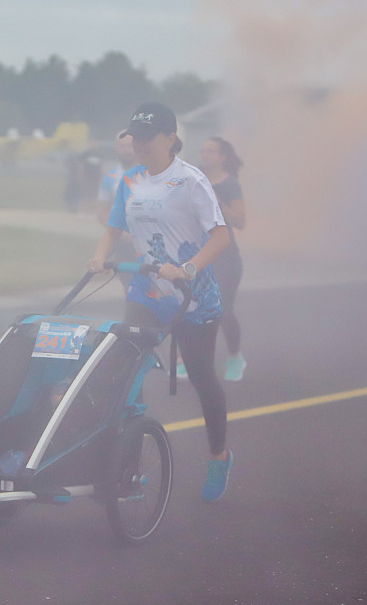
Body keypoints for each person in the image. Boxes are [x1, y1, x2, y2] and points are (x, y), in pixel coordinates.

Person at [87, 102, 233, 502]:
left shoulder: (190, 180)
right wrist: (100, 256)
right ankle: (127, 469)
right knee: (123, 372)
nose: (139, 144)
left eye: (148, 138)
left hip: (193, 296)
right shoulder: (129, 179)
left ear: (170, 139)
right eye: (135, 137)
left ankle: (219, 455)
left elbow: (221, 236)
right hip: (148, 292)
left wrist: (187, 268)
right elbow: (113, 229)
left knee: (202, 377)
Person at [200, 136, 247, 381]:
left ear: (223, 157)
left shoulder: (230, 185)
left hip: (226, 257)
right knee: (193, 310)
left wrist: (218, 203)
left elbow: (241, 221)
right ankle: (189, 360)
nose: (204, 155)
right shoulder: (195, 179)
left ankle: (235, 356)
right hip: (200, 255)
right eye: (203, 151)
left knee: (223, 311)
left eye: (210, 151)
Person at [96, 131, 141, 289]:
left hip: (148, 242)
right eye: (122, 146)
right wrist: (119, 233)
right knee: (129, 285)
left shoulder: (149, 172)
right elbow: (102, 212)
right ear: (116, 148)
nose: (126, 150)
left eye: (129, 145)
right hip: (124, 244)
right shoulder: (110, 177)